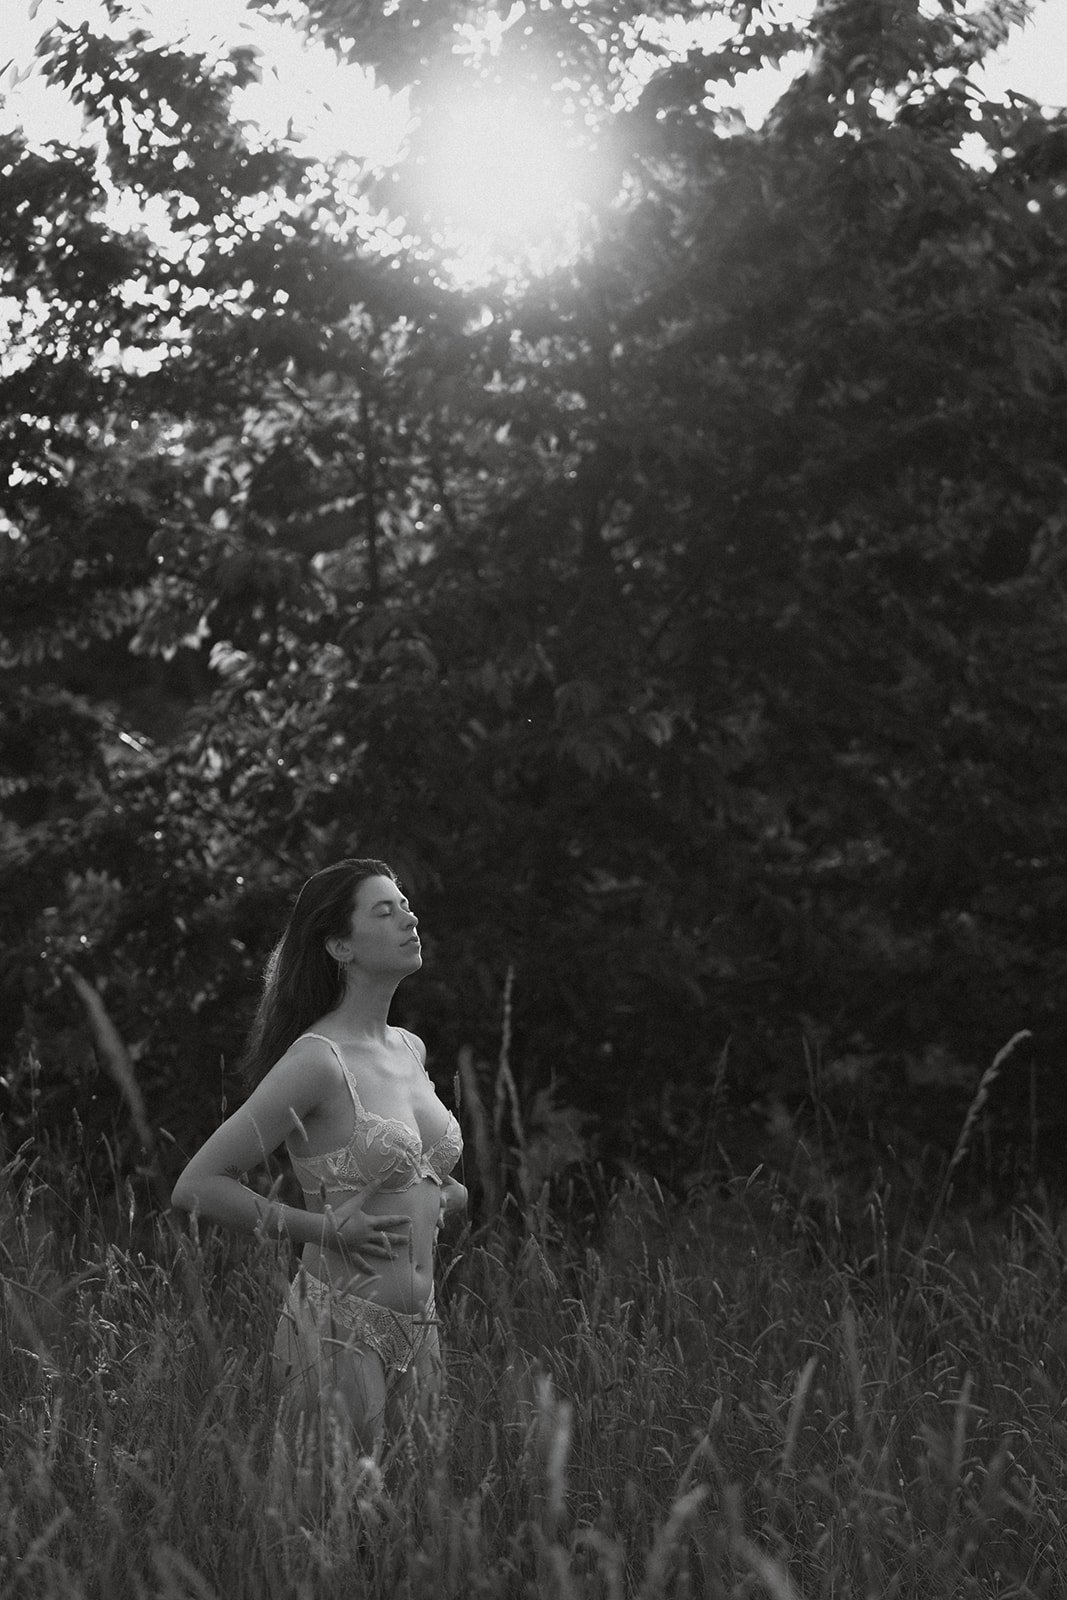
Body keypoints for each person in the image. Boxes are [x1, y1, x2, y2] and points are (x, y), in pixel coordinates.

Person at [170, 858, 467, 1498]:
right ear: (339, 946)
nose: (408, 918)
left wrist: (445, 1196)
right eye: (384, 911)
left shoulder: (409, 1048)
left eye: (406, 905)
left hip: (422, 1326)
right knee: (333, 1544)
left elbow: (421, 1176)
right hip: (340, 1327)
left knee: (412, 1544)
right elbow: (197, 1184)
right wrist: (323, 1229)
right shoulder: (317, 1060)